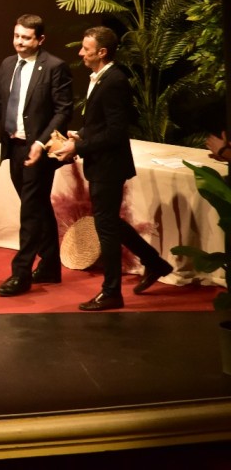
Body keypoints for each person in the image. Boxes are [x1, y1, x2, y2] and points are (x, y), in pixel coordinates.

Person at [53, 26, 174, 311]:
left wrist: (78, 148)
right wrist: (81, 135)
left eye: (86, 48)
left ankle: (111, 292)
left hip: (109, 166)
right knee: (108, 222)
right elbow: (102, 124)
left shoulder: (114, 81)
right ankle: (155, 263)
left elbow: (117, 132)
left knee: (105, 227)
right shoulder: (100, 78)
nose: (81, 53)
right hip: (102, 163)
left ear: (102, 52)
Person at [0, 14, 73, 296]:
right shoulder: (7, 64)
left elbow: (64, 110)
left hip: (38, 151)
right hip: (14, 147)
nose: (19, 42)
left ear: (40, 39)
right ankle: (51, 265)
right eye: (16, 36)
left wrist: (41, 143)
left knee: (30, 212)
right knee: (38, 207)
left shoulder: (54, 67)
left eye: (26, 37)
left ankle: (21, 274)